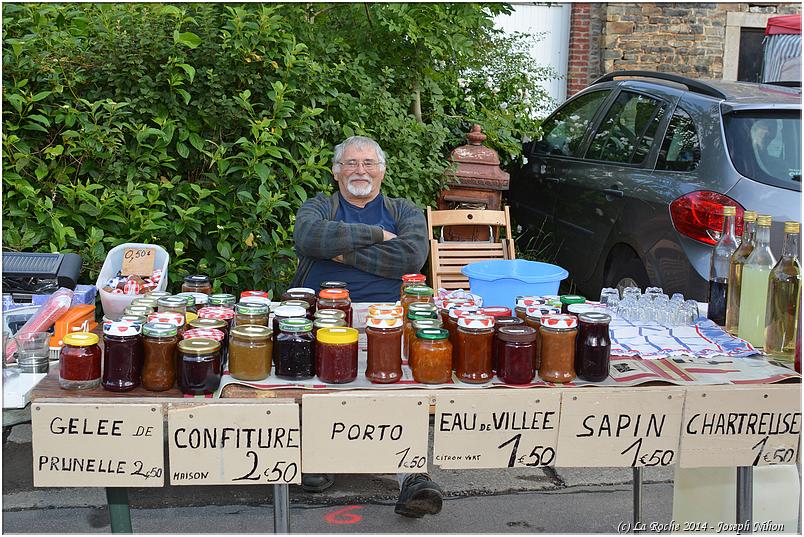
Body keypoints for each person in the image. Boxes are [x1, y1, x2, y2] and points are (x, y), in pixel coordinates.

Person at [291, 135, 442, 518]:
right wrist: (377, 236)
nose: (361, 171)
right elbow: (309, 238)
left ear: (382, 171)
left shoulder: (403, 210)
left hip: (387, 312)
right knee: (319, 377)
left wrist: (340, 251)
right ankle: (319, 456)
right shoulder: (319, 206)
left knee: (398, 380)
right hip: (322, 312)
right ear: (336, 171)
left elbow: (411, 255)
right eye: (351, 164)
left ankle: (412, 476)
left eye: (369, 164)